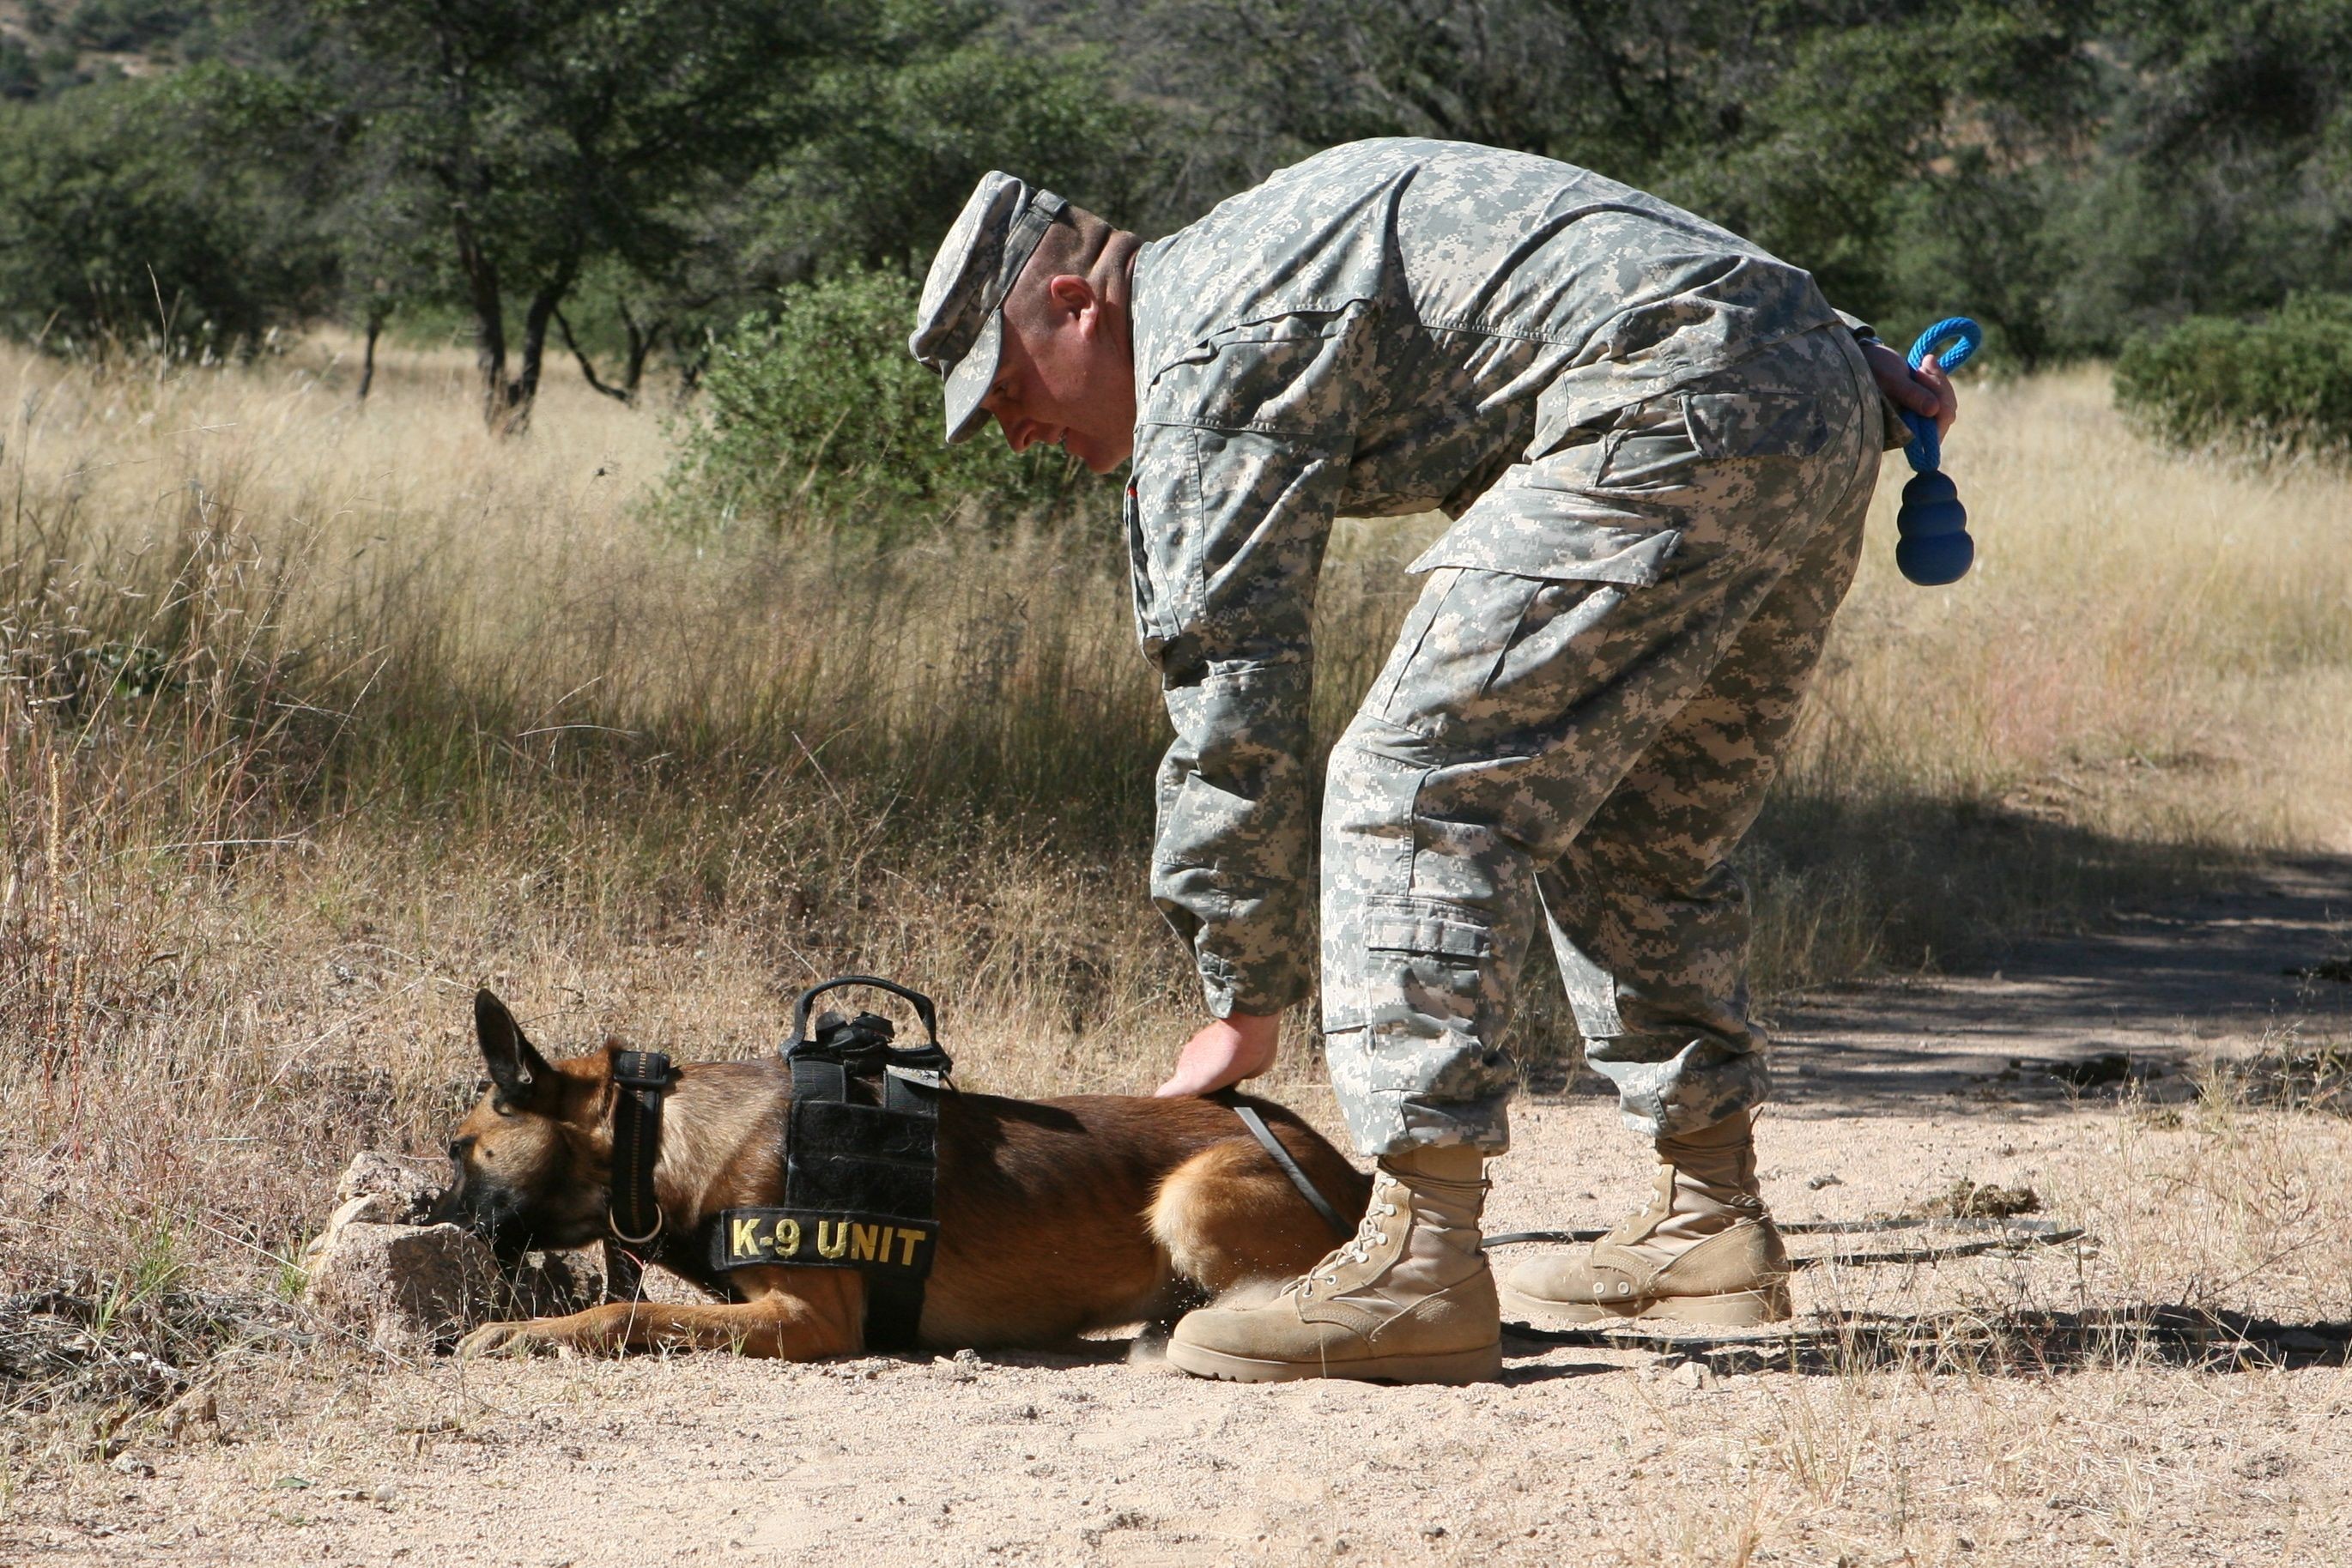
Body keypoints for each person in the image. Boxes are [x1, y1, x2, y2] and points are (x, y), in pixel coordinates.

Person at [909, 138, 1956, 1385]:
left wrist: (1242, 996)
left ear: (1078, 302)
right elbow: (1579, 217)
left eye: (1007, 381)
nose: (1013, 430)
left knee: (1410, 782)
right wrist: (1840, 340)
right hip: (1810, 389)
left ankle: (1421, 1259)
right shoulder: (1275, 237)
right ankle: (1709, 1215)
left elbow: (1231, 695)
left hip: (1672, 396)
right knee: (1637, 820)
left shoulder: (1202, 352)